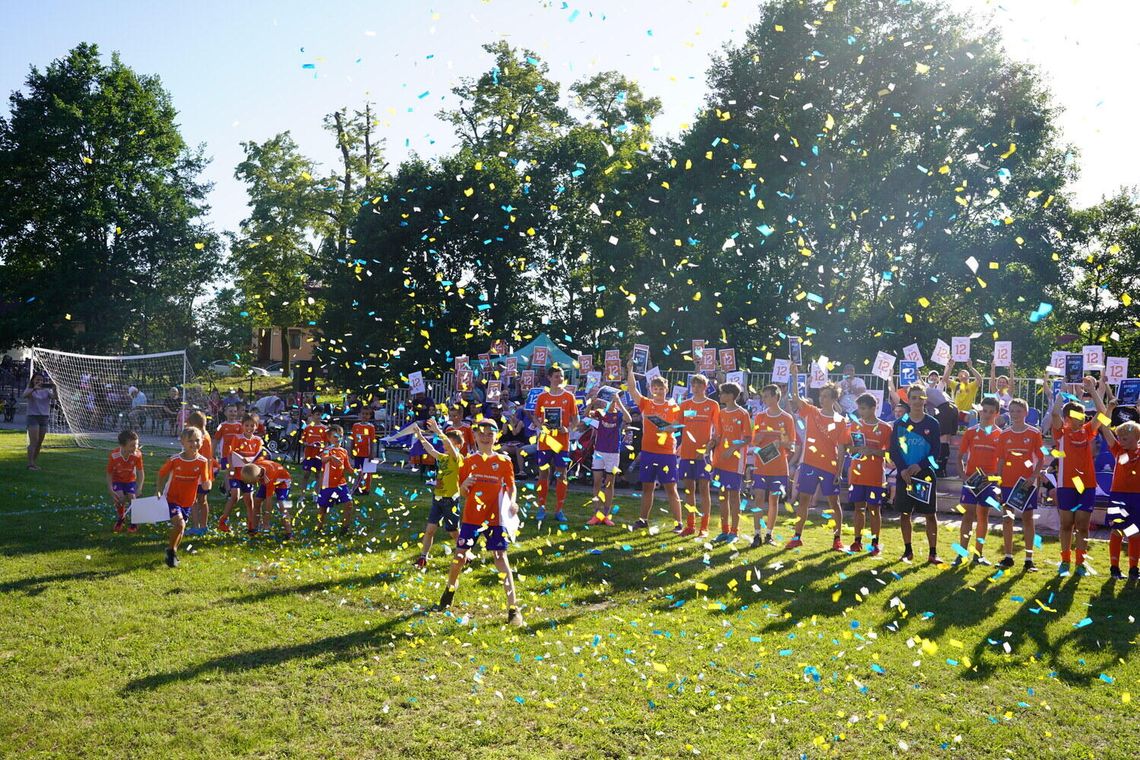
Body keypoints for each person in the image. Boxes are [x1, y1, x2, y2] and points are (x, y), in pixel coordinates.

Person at [436, 418, 524, 627]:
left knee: (500, 557)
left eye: (490, 433)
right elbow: (462, 491)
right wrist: (465, 485)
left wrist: (512, 502)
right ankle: (450, 588)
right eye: (481, 433)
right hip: (472, 518)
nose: (486, 437)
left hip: (495, 519)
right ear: (474, 436)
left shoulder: (504, 461)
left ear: (496, 436)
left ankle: (513, 608)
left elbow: (511, 486)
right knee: (459, 556)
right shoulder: (468, 461)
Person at [785, 362, 849, 550]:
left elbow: (842, 448)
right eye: (821, 396)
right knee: (803, 500)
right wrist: (794, 376)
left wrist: (839, 471)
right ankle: (797, 536)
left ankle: (837, 539)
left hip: (829, 467)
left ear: (834, 399)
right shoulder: (812, 412)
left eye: (826, 396)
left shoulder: (841, 421)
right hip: (809, 464)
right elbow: (796, 398)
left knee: (833, 503)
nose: (822, 399)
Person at [1049, 377, 1105, 576]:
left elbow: (1103, 413)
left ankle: (1080, 563)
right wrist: (1062, 390)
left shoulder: (1088, 431)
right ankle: (1065, 561)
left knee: (1082, 526)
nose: (1079, 418)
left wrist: (1092, 390)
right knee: (1066, 524)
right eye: (1074, 415)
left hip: (1086, 485)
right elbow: (1055, 412)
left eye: (1081, 415)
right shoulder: (1060, 434)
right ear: (1066, 419)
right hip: (1066, 485)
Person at [625, 360, 684, 532]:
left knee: (671, 489)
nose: (658, 391)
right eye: (655, 388)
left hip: (667, 453)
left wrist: (667, 428)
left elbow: (678, 425)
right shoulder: (646, 403)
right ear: (651, 389)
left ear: (667, 389)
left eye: (661, 388)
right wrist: (630, 370)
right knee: (647, 488)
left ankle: (678, 523)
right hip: (648, 452)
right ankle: (643, 520)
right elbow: (632, 389)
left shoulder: (673, 406)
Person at [890, 384, 944, 565]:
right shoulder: (899, 424)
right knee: (905, 514)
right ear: (908, 400)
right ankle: (908, 551)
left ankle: (933, 553)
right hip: (904, 476)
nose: (917, 402)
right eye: (913, 398)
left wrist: (920, 466)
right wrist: (903, 469)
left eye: (921, 398)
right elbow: (894, 451)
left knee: (930, 514)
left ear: (925, 400)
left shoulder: (933, 424)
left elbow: (936, 451)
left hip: (925, 476)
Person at [953, 397, 1003, 566]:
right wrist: (964, 476)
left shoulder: (1000, 435)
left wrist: (996, 480)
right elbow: (959, 457)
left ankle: (978, 554)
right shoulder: (970, 432)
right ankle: (961, 554)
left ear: (997, 413)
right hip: (971, 481)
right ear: (980, 411)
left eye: (991, 411)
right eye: (985, 410)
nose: (987, 414)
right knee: (968, 515)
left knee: (983, 516)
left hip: (989, 482)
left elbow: (1002, 462)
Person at [995, 398, 1044, 571]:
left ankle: (1029, 559)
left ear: (1026, 413)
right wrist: (998, 482)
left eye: (1019, 411)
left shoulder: (1034, 433)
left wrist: (1034, 477)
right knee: (1007, 519)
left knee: (1028, 520)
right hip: (1007, 483)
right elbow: (1001, 461)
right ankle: (1008, 557)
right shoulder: (1004, 434)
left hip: (1025, 484)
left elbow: (1041, 457)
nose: (1015, 414)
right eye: (1012, 411)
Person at [156, 427, 212, 568]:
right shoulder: (175, 459)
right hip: (172, 498)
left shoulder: (202, 461)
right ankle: (171, 551)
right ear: (182, 442)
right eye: (190, 441)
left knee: (181, 527)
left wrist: (207, 484)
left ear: (202, 441)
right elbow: (161, 473)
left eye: (197, 440)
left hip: (188, 501)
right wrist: (158, 490)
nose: (194, 444)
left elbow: (205, 481)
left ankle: (172, 550)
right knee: (180, 524)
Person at [749, 383, 796, 546]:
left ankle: (769, 534)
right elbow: (754, 441)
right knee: (758, 499)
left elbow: (792, 445)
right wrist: (759, 438)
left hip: (779, 467)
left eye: (767, 396)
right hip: (761, 465)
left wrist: (780, 444)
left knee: (774, 501)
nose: (764, 399)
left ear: (776, 397)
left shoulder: (787, 418)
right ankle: (756, 534)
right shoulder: (760, 417)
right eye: (763, 396)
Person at [412, 419, 464, 568]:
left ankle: (465, 553)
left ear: (458, 446)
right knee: (430, 530)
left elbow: (448, 445)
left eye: (449, 442)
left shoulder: (457, 458)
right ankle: (423, 557)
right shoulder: (442, 458)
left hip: (450, 500)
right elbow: (431, 450)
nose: (445, 444)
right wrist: (421, 436)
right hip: (438, 498)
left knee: (453, 532)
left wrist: (438, 431)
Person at [846, 393, 892, 556]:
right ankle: (857, 540)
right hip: (857, 474)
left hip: (875, 476)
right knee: (858, 508)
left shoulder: (886, 428)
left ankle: (875, 542)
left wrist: (872, 451)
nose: (861, 412)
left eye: (864, 408)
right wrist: (854, 449)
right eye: (859, 408)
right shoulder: (854, 425)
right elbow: (848, 448)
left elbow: (889, 454)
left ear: (874, 408)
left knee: (874, 509)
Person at [531, 366, 579, 522]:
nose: (560, 379)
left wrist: (568, 429)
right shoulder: (542, 397)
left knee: (561, 475)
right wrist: (541, 427)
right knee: (543, 474)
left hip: (562, 442)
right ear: (550, 378)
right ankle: (541, 507)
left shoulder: (569, 397)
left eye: (562, 376)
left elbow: (576, 420)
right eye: (557, 376)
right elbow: (536, 417)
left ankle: (559, 509)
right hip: (545, 442)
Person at [709, 381, 753, 543]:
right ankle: (724, 531)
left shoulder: (743, 413)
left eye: (722, 393)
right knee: (722, 496)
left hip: (735, 462)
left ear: (731, 395)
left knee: (734, 496)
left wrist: (733, 449)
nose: (720, 396)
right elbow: (718, 435)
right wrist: (711, 444)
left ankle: (734, 532)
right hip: (720, 460)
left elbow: (748, 438)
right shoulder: (720, 413)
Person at [678, 374, 720, 536]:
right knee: (689, 490)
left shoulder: (713, 405)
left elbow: (717, 431)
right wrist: (661, 425)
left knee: (704, 489)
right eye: (693, 385)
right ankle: (690, 525)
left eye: (699, 385)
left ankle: (704, 527)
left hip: (703, 455)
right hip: (687, 453)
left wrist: (709, 446)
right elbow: (677, 424)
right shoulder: (685, 404)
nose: (695, 388)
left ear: (705, 387)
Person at [1098, 420, 1140, 580]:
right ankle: (1114, 568)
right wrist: (1107, 407)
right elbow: (1105, 428)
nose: (1121, 440)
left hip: (1136, 497)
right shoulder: (1118, 450)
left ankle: (1133, 570)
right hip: (1118, 496)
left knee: (1135, 533)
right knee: (1117, 530)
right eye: (1120, 437)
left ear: (1137, 437)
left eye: (1125, 438)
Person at [585, 390, 631, 526]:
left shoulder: (620, 414)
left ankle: (606, 515)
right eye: (610, 400)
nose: (611, 403)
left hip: (613, 453)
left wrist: (619, 402)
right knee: (597, 482)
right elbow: (586, 416)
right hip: (599, 451)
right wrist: (591, 404)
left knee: (609, 484)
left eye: (613, 401)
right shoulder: (600, 413)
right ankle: (596, 513)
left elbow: (629, 419)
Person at [217, 414, 265, 535]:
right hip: (237, 473)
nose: (249, 428)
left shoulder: (258, 441)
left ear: (256, 426)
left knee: (249, 500)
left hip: (248, 475)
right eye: (247, 425)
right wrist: (231, 468)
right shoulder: (237, 438)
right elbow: (230, 454)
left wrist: (256, 473)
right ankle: (222, 521)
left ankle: (251, 526)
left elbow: (259, 458)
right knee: (235, 496)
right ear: (242, 426)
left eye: (252, 425)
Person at [316, 425, 355, 535]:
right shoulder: (327, 450)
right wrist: (331, 458)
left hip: (341, 484)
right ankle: (319, 527)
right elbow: (323, 460)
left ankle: (345, 528)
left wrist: (357, 472)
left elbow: (347, 467)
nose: (338, 439)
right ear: (329, 438)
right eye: (335, 436)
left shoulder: (344, 451)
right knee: (323, 508)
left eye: (340, 436)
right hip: (328, 484)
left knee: (349, 503)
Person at [240, 460, 294, 539]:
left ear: (258, 477)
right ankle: (254, 529)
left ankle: (289, 534)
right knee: (257, 501)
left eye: (253, 482)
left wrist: (266, 521)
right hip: (267, 481)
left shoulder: (268, 478)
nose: (252, 484)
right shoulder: (255, 467)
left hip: (283, 483)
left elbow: (269, 501)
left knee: (282, 506)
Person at [107, 429, 144, 534]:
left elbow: (141, 472)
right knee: (120, 498)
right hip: (117, 480)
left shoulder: (137, 454)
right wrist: (110, 489)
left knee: (133, 498)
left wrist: (140, 487)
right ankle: (121, 518)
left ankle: (134, 522)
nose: (135, 447)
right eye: (132, 445)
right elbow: (109, 473)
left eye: (136, 444)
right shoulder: (114, 455)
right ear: (122, 446)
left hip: (130, 480)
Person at [184, 411, 215, 536]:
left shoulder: (199, 438)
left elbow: (196, 456)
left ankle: (196, 526)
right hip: (206, 474)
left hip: (199, 475)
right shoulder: (206, 435)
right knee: (203, 500)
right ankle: (203, 526)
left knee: (194, 500)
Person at [924, 369, 957, 475]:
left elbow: (927, 410)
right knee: (946, 440)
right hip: (952, 408)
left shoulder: (926, 390)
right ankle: (942, 469)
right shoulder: (934, 391)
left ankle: (940, 469)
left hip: (945, 409)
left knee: (942, 439)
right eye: (931, 376)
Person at [23, 372, 55, 470]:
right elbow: (24, 395)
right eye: (37, 379)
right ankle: (30, 463)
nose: (39, 381)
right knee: (34, 441)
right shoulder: (30, 389)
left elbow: (55, 397)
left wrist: (55, 389)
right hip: (33, 416)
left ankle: (33, 462)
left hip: (44, 417)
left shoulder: (46, 390)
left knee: (39, 442)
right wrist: (33, 389)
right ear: (33, 380)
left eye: (41, 380)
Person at [214, 405, 244, 495]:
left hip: (237, 454)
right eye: (230, 411)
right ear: (225, 413)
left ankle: (224, 486)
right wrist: (212, 453)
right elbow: (215, 439)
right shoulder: (221, 426)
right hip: (225, 454)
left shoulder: (239, 425)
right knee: (228, 472)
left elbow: (243, 439)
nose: (233, 413)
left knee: (234, 472)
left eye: (235, 411)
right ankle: (228, 492)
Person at [947, 360, 983, 428]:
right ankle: (949, 434)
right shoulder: (956, 385)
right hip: (957, 413)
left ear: (969, 377)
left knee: (973, 412)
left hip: (968, 414)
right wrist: (950, 367)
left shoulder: (972, 386)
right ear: (958, 377)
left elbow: (979, 379)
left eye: (965, 375)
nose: (963, 376)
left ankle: (972, 434)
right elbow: (945, 379)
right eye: (961, 375)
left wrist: (971, 367)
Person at [300, 409, 330, 491]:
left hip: (319, 455)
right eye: (317, 414)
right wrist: (307, 444)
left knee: (318, 474)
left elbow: (326, 443)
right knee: (306, 474)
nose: (319, 416)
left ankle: (317, 493)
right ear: (312, 416)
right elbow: (303, 441)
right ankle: (302, 494)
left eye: (320, 415)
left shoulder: (324, 428)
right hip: (309, 454)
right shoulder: (307, 428)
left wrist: (323, 450)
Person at [350, 406, 377, 495]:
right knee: (358, 471)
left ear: (370, 416)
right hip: (358, 453)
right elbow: (353, 439)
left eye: (367, 414)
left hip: (367, 453)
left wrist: (372, 453)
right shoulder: (355, 426)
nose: (364, 416)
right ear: (360, 414)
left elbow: (372, 441)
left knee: (367, 472)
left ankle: (367, 489)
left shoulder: (371, 427)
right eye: (363, 414)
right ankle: (357, 487)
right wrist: (351, 450)